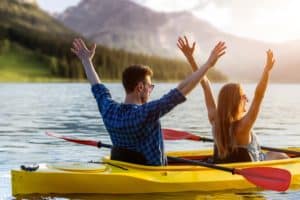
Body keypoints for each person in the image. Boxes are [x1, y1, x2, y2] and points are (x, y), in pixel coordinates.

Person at [71, 38, 226, 166]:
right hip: (153, 175)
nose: (150, 91)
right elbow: (182, 90)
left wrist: (86, 61)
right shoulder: (147, 113)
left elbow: (97, 86)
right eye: (149, 87)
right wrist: (208, 65)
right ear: (140, 88)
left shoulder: (108, 110)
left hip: (125, 168)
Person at [177, 36, 288, 163]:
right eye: (243, 96)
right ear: (235, 102)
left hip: (224, 164)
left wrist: (190, 59)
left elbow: (205, 84)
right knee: (278, 155)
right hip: (251, 166)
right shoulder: (244, 126)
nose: (247, 98)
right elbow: (259, 96)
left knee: (270, 153)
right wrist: (267, 71)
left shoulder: (215, 121)